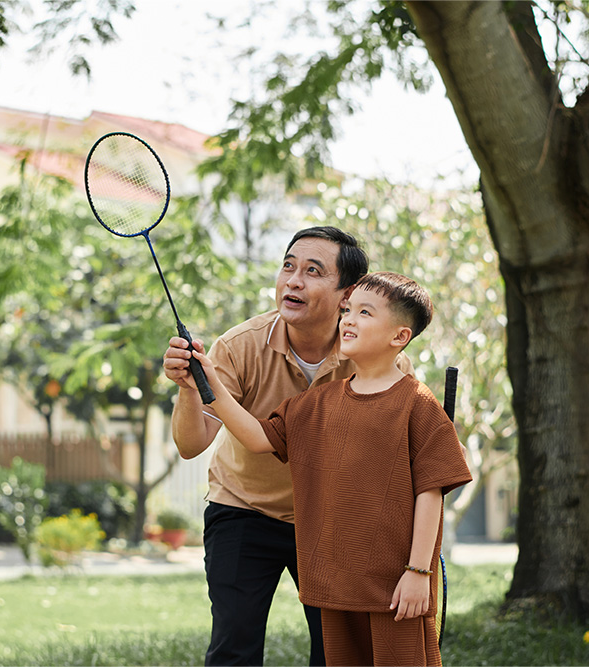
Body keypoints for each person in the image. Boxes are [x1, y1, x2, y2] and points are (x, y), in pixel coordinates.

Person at [191, 271, 472, 666]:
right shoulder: (315, 404)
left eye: (364, 313)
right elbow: (256, 437)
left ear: (399, 337)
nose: (348, 320)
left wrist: (418, 571)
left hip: (396, 586)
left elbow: (431, 490)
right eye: (347, 311)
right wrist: (207, 382)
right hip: (335, 584)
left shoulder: (418, 404)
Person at [162, 227, 414, 665]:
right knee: (234, 645)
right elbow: (190, 444)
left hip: (331, 518)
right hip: (244, 507)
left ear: (347, 293)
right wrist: (189, 387)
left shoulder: (375, 356)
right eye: (288, 266)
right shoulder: (239, 346)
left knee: (339, 651)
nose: (293, 280)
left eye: (313, 271)